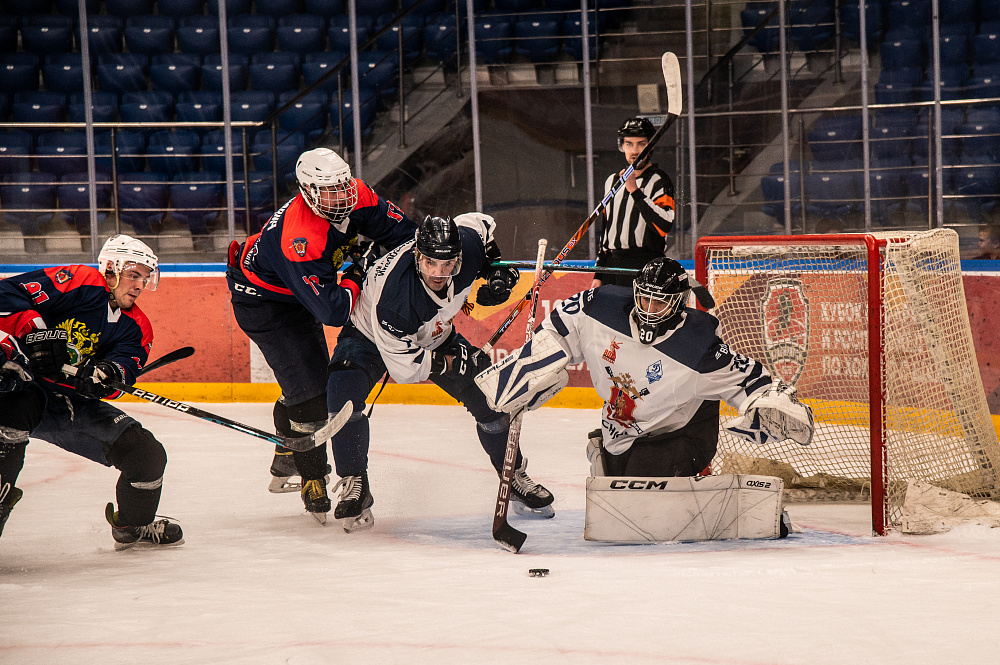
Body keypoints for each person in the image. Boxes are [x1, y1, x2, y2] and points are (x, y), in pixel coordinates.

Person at [478, 257, 814, 481]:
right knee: (610, 472)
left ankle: (692, 476)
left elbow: (749, 379)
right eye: (645, 298)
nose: (649, 309)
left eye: (660, 301)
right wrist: (529, 369)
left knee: (642, 474)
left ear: (678, 303)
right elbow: (558, 328)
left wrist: (771, 402)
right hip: (622, 431)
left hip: (681, 435)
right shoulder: (600, 308)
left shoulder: (697, 348)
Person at [322, 213, 554, 531]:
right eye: (430, 263)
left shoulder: (466, 248)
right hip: (371, 335)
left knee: (493, 398)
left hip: (435, 333)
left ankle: (512, 473)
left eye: (447, 265)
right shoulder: (395, 298)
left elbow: (480, 225)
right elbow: (404, 369)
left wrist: (496, 271)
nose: (439, 273)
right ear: (418, 255)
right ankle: (355, 482)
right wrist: (448, 363)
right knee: (343, 392)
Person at [227, 147, 419, 513]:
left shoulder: (359, 195)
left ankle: (287, 444)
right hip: (265, 305)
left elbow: (405, 235)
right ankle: (312, 475)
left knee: (312, 383)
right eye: (329, 190)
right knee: (311, 398)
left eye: (343, 184)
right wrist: (357, 273)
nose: (342, 195)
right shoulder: (299, 236)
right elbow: (333, 311)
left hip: (302, 290)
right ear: (307, 191)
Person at [0, 234, 183, 549]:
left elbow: (123, 371)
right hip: (21, 383)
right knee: (11, 425)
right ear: (111, 268)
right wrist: (37, 333)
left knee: (146, 454)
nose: (140, 285)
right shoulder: (80, 281)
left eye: (145, 277)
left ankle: (133, 526)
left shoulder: (136, 326)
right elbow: (6, 292)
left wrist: (106, 376)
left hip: (69, 403)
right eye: (133, 274)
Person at [591, 117, 677, 289]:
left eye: (641, 144)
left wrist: (635, 191)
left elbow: (664, 225)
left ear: (650, 146)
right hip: (611, 267)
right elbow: (607, 231)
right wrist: (599, 274)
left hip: (644, 266)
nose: (635, 150)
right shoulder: (612, 181)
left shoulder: (660, 181)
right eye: (629, 144)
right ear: (621, 146)